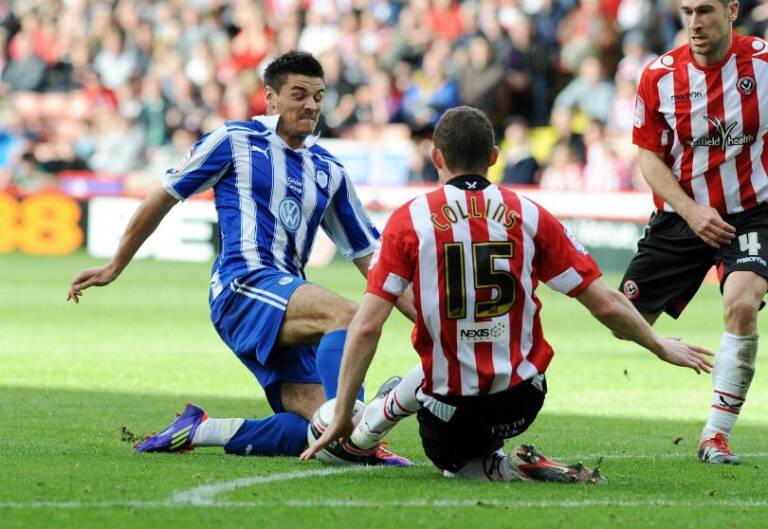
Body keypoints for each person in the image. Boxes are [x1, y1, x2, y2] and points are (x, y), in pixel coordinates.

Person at [301, 106, 713, 482]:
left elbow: (369, 325)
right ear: (494, 157)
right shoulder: (531, 214)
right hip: (522, 401)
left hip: (452, 411)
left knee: (452, 451)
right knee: (455, 379)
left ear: (436, 157)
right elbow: (604, 302)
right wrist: (659, 344)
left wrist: (341, 412)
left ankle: (368, 432)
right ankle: (495, 456)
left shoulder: (409, 220)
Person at [66, 51, 412, 464]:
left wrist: (430, 321)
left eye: (318, 96)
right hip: (242, 287)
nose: (311, 106)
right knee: (352, 317)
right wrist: (114, 265)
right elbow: (165, 195)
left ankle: (200, 429)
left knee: (316, 423)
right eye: (299, 94)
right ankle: (361, 433)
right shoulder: (234, 140)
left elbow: (371, 258)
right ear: (270, 97)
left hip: (288, 304)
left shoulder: (329, 170)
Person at [622, 0, 768, 465]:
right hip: (684, 216)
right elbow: (649, 156)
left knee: (741, 303)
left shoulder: (764, 65)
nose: (694, 23)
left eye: (704, 10)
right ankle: (668, 348)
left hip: (753, 212)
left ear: (731, 10)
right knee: (623, 317)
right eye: (686, 12)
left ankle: (715, 436)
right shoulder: (659, 77)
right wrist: (691, 211)